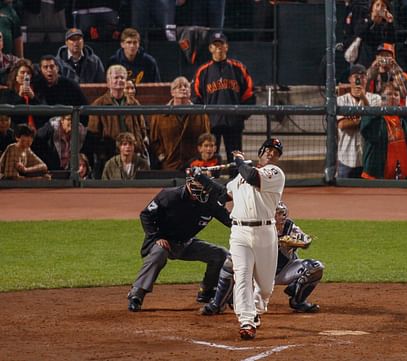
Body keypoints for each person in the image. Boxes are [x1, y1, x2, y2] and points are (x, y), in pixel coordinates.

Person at [195, 138, 285, 340]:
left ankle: (256, 311)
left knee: (265, 287)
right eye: (268, 149)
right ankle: (246, 320)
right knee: (242, 275)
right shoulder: (239, 179)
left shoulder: (275, 174)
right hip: (240, 233)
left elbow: (252, 176)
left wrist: (238, 160)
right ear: (261, 151)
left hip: (265, 233)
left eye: (276, 152)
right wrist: (201, 178)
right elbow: (222, 194)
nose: (271, 153)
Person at [126, 170, 232, 312]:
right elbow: (146, 215)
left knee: (220, 254)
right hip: (164, 242)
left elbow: (231, 221)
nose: (203, 188)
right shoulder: (170, 195)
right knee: (159, 253)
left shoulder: (211, 202)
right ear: (189, 183)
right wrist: (157, 237)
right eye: (199, 183)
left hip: (187, 243)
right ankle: (136, 295)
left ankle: (206, 291)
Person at [201, 201, 324, 318]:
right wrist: (276, 242)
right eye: (278, 213)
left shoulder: (288, 226)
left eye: (282, 213)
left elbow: (306, 240)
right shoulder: (256, 228)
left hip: (283, 271)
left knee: (315, 267)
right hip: (256, 275)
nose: (281, 217)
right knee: (230, 262)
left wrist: (296, 241)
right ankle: (218, 304)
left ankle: (298, 301)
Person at [192, 32, 256, 172]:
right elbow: (196, 97)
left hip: (234, 122)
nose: (219, 48)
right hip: (212, 123)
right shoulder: (203, 71)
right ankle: (212, 184)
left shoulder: (239, 68)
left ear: (226, 47)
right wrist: (204, 119)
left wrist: (242, 115)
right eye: (215, 45)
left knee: (236, 158)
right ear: (210, 48)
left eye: (221, 45)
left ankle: (237, 184)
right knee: (210, 157)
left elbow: (249, 93)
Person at [86, 64, 148, 179]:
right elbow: (93, 134)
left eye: (122, 77)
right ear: (108, 82)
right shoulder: (98, 104)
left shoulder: (133, 103)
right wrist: (103, 153)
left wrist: (138, 145)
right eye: (116, 78)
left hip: (132, 154)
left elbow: (142, 128)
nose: (119, 80)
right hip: (109, 156)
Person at [361, 82, 407, 179]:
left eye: (396, 94)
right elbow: (367, 132)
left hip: (406, 174)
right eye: (389, 94)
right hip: (378, 174)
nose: (393, 97)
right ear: (382, 97)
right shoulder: (374, 116)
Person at [149, 76, 210, 171]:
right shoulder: (160, 115)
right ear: (172, 92)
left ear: (190, 92)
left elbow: (206, 137)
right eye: (179, 86)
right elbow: (154, 140)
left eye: (186, 86)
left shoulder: (201, 114)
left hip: (194, 164)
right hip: (170, 164)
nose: (183, 88)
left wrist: (200, 157)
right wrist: (162, 156)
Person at [336, 63, 381, 178]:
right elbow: (342, 125)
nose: (360, 80)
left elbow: (373, 123)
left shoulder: (375, 98)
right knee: (341, 194)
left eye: (363, 76)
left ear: (367, 79)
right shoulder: (341, 100)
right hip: (346, 157)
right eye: (356, 77)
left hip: (368, 158)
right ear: (350, 79)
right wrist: (364, 121)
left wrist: (363, 99)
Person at [346, 0, 396, 67]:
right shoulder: (364, 18)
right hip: (362, 59)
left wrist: (390, 23)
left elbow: (390, 41)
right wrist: (371, 20)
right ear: (372, 7)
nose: (379, 8)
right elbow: (359, 33)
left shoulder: (386, 24)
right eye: (377, 5)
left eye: (383, 6)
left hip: (379, 60)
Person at [0, 59, 41, 129]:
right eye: (22, 72)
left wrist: (33, 98)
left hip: (35, 130)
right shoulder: (7, 93)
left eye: (28, 73)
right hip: (16, 131)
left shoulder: (37, 91)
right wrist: (20, 97)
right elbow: (8, 115)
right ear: (16, 76)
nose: (25, 75)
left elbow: (43, 115)